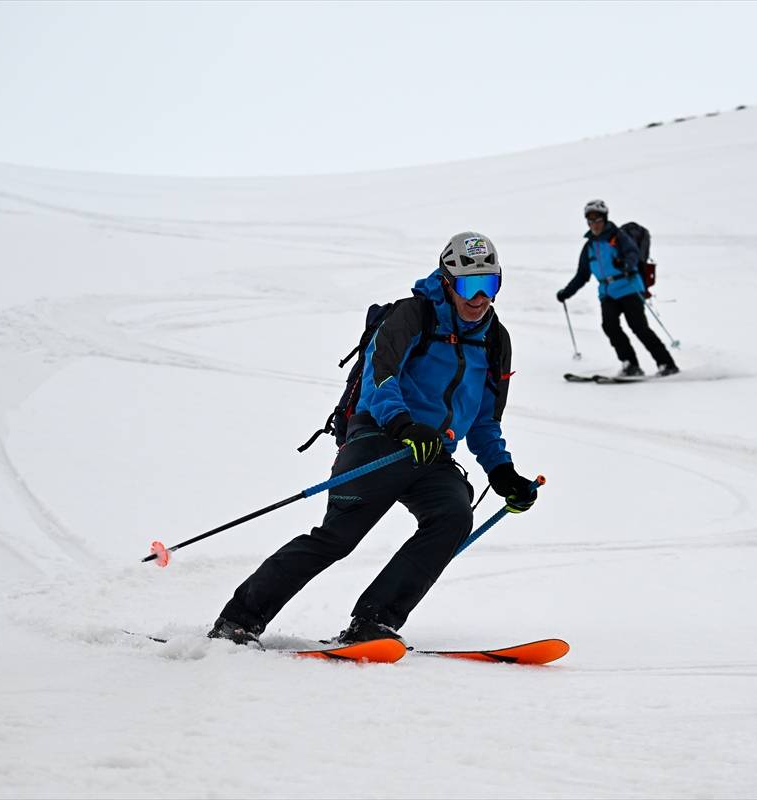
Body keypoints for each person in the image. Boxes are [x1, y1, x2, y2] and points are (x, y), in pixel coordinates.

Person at [209, 232, 538, 646]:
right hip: (380, 436)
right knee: (337, 538)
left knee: (453, 515)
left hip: (430, 451)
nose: (479, 298)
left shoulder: (494, 340)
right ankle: (237, 621)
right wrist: (402, 424)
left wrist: (503, 472)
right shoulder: (412, 315)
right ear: (448, 280)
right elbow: (378, 378)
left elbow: (486, 420)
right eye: (470, 286)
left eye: (489, 285)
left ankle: (374, 621)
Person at [556, 199, 679, 378]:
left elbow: (633, 254)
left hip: (629, 288)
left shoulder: (618, 237)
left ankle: (666, 363)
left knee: (638, 327)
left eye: (597, 220)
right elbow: (582, 275)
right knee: (609, 326)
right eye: (590, 221)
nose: (594, 224)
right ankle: (630, 364)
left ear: (604, 219)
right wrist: (566, 292)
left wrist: (626, 265)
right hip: (607, 293)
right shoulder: (589, 246)